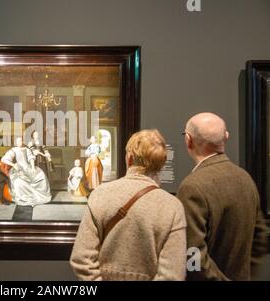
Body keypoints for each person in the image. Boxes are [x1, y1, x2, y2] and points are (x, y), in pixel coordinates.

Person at [70, 129, 187, 280]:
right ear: (162, 163)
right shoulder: (172, 206)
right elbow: (172, 275)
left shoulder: (100, 195)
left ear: (129, 158)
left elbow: (81, 260)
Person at [177, 112, 268, 281]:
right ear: (226, 137)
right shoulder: (245, 178)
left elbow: (192, 257)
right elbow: (261, 237)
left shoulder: (192, 187)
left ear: (188, 140)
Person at [1, 136, 52, 206]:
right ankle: (26, 198)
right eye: (18, 141)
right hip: (19, 168)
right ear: (16, 142)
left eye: (21, 141)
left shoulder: (26, 149)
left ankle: (37, 197)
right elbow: (4, 159)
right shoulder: (14, 150)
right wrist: (13, 165)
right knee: (18, 181)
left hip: (28, 167)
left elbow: (31, 159)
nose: (20, 142)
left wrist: (33, 167)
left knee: (41, 175)